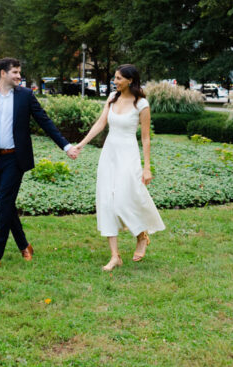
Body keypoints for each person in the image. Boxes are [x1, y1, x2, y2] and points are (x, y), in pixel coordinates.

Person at [0, 57, 74, 270]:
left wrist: (66, 146)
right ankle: (24, 245)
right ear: (2, 73)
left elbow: (45, 122)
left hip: (16, 159)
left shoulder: (26, 96)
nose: (19, 76)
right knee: (6, 204)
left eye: (19, 72)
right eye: (15, 72)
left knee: (3, 204)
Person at [68, 65, 165, 271]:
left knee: (124, 199)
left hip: (128, 154)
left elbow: (146, 138)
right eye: (115, 77)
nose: (115, 81)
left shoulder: (142, 104)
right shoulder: (112, 97)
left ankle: (141, 235)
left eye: (119, 78)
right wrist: (81, 144)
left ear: (130, 80)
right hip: (109, 154)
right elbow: (100, 124)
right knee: (107, 202)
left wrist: (147, 168)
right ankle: (115, 256)